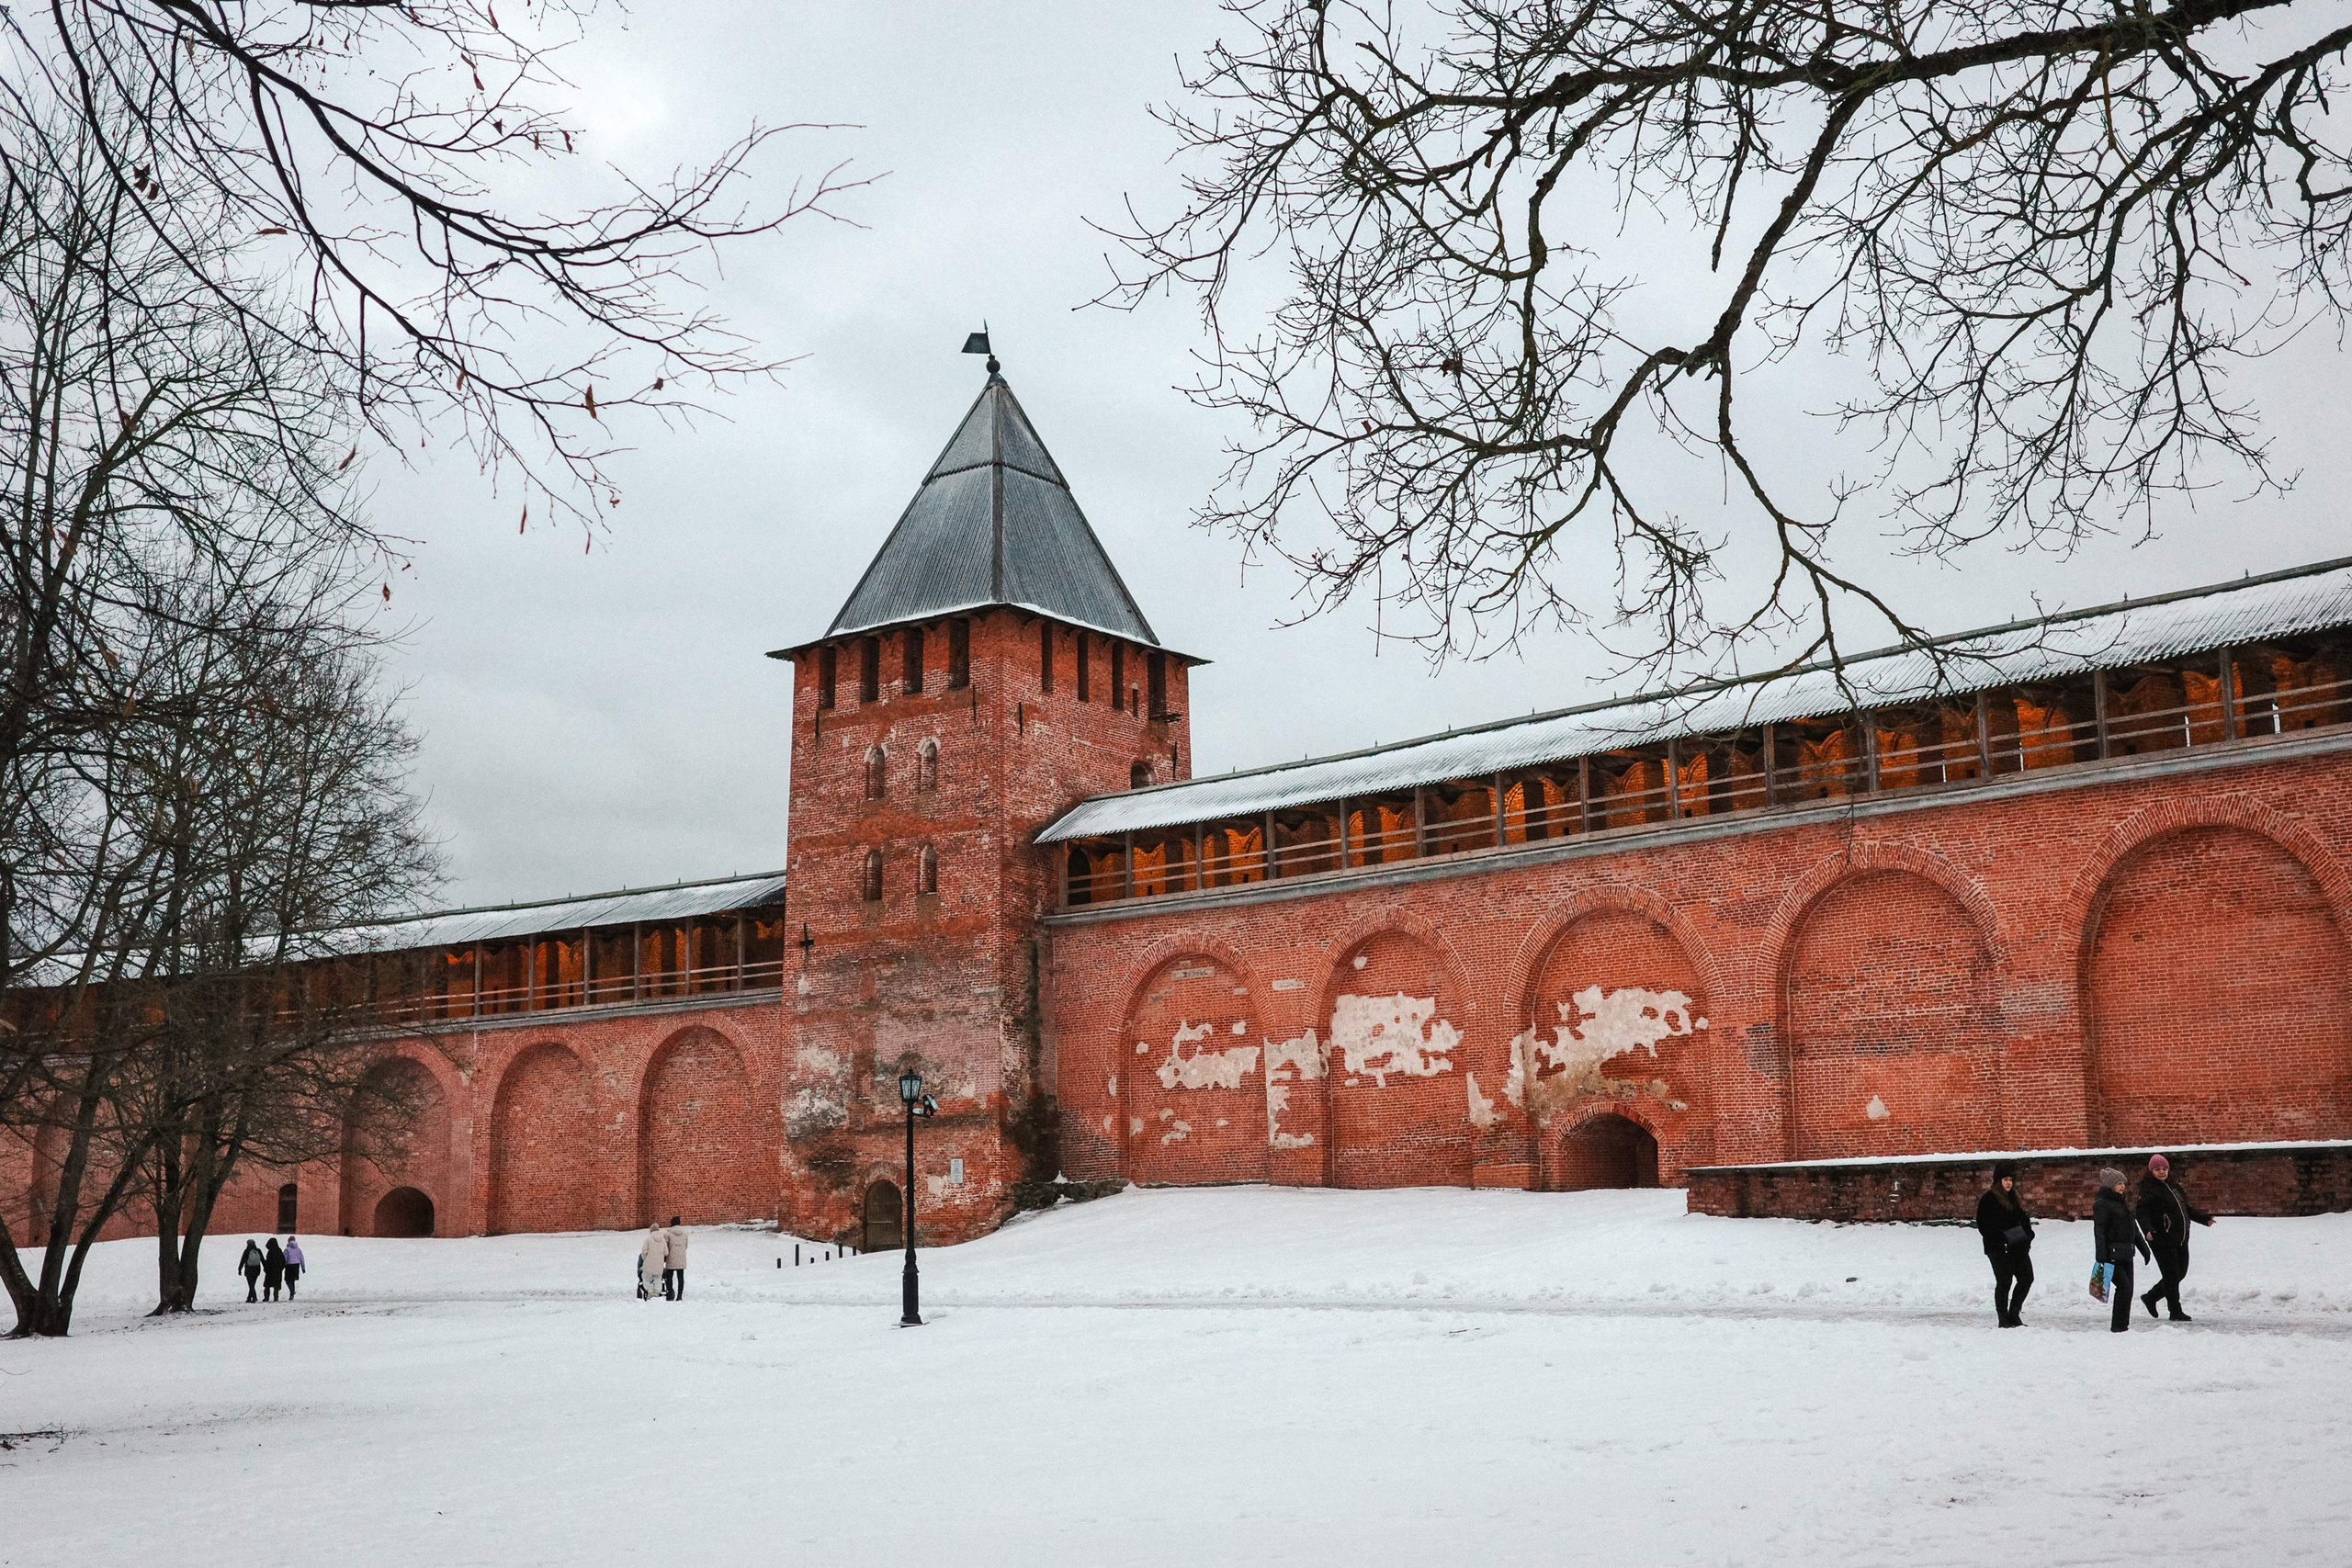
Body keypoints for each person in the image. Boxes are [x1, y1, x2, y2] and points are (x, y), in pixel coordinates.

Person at [2135, 1154, 2216, 1322]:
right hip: (2161, 1238)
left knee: (2180, 1273)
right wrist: (2148, 1230)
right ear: (2151, 1172)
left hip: (2180, 1238)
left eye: (2164, 1169)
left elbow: (2185, 1209)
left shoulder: (2174, 1187)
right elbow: (2141, 1213)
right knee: (2171, 1275)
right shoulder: (2149, 1189)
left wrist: (2203, 1218)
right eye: (2157, 1169)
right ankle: (2175, 1311)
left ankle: (2151, 1297)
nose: (2162, 1172)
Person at [1973, 1161, 2035, 1326]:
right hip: (1998, 1249)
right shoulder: (1989, 1200)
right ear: (1998, 1181)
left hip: (2019, 1246)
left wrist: (2028, 1234)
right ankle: (2003, 1318)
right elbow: (1984, 1226)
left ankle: (2014, 1313)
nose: (2009, 1183)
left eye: (2010, 1179)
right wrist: (2002, 1239)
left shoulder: (2015, 1197)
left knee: (2026, 1278)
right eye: (2005, 1179)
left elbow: (2024, 1219)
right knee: (2004, 1281)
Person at [2092, 1167, 2152, 1334]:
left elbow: (2134, 1230)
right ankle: (2118, 1326)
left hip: (2127, 1253)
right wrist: (2101, 1255)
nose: (2123, 1187)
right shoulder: (2102, 1204)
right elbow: (2100, 1230)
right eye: (2119, 1183)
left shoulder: (2122, 1204)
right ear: (2110, 1185)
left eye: (2123, 1183)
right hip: (2112, 1255)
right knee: (2124, 1288)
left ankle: (2122, 1325)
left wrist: (2144, 1249)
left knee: (2128, 1290)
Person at [638, 1222, 668, 1303]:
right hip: (659, 1264)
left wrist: (645, 1259)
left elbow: (644, 1252)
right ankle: (657, 1293)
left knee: (646, 1277)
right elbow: (666, 1252)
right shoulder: (663, 1240)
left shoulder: (648, 1239)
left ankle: (650, 1291)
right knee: (658, 1278)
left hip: (649, 1263)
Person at [663, 1215, 688, 1302]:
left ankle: (670, 1294)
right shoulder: (684, 1233)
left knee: (669, 1277)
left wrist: (665, 1257)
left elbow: (665, 1247)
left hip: (671, 1257)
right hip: (681, 1257)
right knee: (680, 1277)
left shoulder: (667, 1234)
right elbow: (686, 1245)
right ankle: (679, 1295)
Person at [239, 1238, 265, 1303]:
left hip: (249, 1269)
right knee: (252, 1284)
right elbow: (263, 1260)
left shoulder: (247, 1251)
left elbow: (242, 1260)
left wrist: (240, 1269)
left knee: (251, 1285)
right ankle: (249, 1298)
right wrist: (265, 1267)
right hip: (257, 1269)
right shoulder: (258, 1250)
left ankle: (254, 1297)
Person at [262, 1236, 287, 1302]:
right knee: (276, 1285)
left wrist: (266, 1269)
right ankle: (276, 1297)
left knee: (267, 1285)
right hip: (277, 1272)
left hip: (270, 1272)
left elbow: (268, 1261)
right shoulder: (279, 1251)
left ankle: (266, 1297)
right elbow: (283, 1261)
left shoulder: (270, 1252)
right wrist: (280, 1269)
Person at [283, 1235, 305, 1300]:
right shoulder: (298, 1249)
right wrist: (303, 1268)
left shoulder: (287, 1249)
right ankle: (292, 1294)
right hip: (296, 1265)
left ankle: (292, 1291)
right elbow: (301, 1258)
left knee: (287, 1280)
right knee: (292, 1280)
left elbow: (284, 1259)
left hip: (289, 1266)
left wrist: (282, 1266)